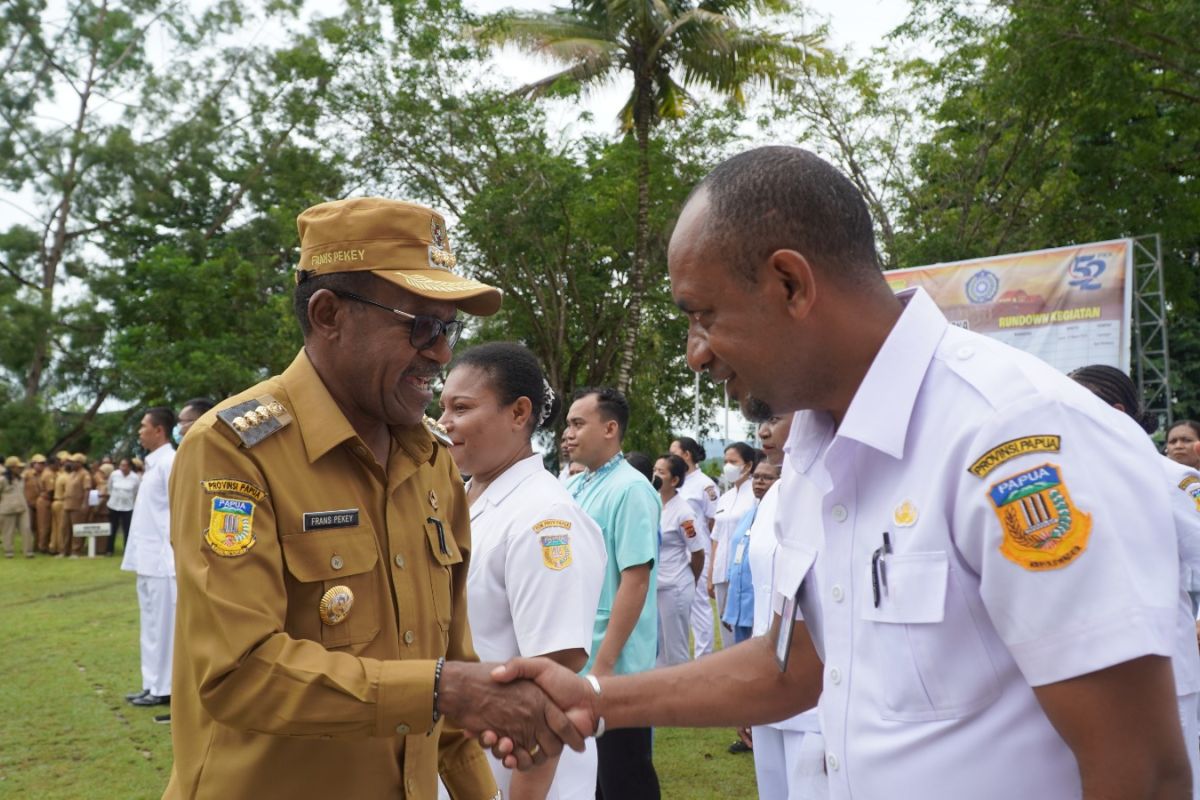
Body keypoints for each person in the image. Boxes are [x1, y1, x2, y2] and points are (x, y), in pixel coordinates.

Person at [484, 146, 1190, 799]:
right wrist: (597, 698)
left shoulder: (1012, 438)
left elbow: (1141, 769)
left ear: (791, 283)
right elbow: (798, 665)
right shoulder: (816, 452)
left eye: (703, 316)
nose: (696, 354)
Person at [163, 198, 581, 800]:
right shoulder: (234, 452)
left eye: (449, 328)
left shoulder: (433, 463)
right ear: (329, 314)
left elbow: (450, 680)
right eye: (421, 326)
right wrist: (443, 689)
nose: (440, 352)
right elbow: (239, 672)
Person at [438, 341, 606, 800]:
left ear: (519, 414)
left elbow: (553, 684)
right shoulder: (465, 499)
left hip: (517, 776)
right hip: (462, 761)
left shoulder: (545, 518)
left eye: (462, 407)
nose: (443, 422)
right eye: (442, 407)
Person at [1071, 364, 1200, 797]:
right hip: (1088, 671)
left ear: (1115, 412)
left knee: (1172, 781)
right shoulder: (1067, 481)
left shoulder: (1171, 480)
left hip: (1165, 673)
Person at [563, 387, 661, 800]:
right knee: (589, 781)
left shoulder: (631, 489)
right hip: (578, 656)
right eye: (567, 424)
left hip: (614, 668)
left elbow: (635, 581)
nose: (567, 434)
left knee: (624, 779)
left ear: (610, 428)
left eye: (577, 423)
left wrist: (603, 667)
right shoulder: (576, 486)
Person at [122, 407, 177, 709]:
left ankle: (165, 686)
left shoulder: (171, 462)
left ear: (159, 430)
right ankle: (151, 683)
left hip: (163, 560)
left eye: (144, 426)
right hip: (146, 559)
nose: (139, 432)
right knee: (151, 626)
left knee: (164, 628)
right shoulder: (153, 464)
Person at [653, 453, 708, 667]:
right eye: (654, 470)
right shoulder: (654, 503)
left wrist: (689, 581)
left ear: (674, 480)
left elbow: (698, 553)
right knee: (658, 649)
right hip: (656, 586)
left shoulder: (684, 512)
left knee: (676, 651)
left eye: (661, 472)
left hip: (674, 587)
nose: (655, 475)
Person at [670, 436, 720, 657]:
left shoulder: (705, 484)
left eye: (673, 452)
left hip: (698, 551)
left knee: (699, 606)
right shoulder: (676, 481)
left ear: (686, 455)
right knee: (681, 604)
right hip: (676, 552)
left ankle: (703, 658)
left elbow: (713, 521)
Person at [721, 457, 777, 645]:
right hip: (739, 604)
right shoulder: (749, 514)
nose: (759, 482)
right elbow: (736, 560)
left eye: (767, 478)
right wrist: (730, 606)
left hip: (761, 605)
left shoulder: (779, 519)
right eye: (756, 477)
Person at [710, 443, 758, 626]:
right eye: (725, 461)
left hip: (742, 572)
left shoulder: (754, 496)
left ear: (747, 465)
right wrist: (711, 572)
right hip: (721, 571)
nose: (727, 466)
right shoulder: (725, 497)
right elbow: (716, 537)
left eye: (733, 461)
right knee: (724, 627)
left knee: (743, 626)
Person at [1, 456, 34, 558]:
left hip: (22, 507)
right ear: (11, 468)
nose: (20, 469)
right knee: (8, 531)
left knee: (26, 528)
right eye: (17, 467)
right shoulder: (2, 480)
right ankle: (9, 551)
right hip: (8, 508)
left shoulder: (21, 479)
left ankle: (28, 552)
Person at [107, 458, 140, 555]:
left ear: (130, 467)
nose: (122, 467)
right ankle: (109, 550)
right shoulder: (114, 474)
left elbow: (136, 491)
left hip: (128, 507)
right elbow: (109, 487)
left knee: (127, 530)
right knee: (112, 528)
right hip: (114, 505)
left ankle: (127, 551)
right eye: (121, 465)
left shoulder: (135, 477)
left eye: (125, 465)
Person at [62, 453, 89, 557]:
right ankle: (64, 550)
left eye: (73, 462)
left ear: (80, 463)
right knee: (65, 528)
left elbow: (87, 490)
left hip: (78, 505)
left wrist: (85, 504)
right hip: (67, 504)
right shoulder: (72, 474)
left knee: (77, 529)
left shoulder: (85, 474)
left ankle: (76, 551)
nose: (71, 464)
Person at [36, 455, 55, 554]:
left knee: (43, 524)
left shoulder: (46, 473)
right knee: (45, 525)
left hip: (42, 499)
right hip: (45, 500)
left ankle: (42, 545)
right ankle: (43, 547)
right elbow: (51, 490)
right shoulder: (49, 474)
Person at [22, 455, 43, 545]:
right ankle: (28, 545)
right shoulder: (26, 474)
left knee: (39, 525)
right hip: (28, 503)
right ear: (33, 464)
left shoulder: (44, 474)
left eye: (42, 464)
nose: (41, 465)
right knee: (29, 525)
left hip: (39, 503)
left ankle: (37, 544)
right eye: (38, 463)